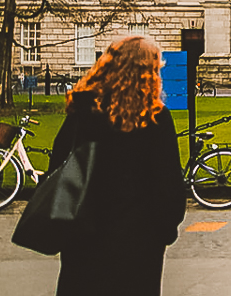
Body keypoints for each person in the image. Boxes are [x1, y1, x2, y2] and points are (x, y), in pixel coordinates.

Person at [49, 34, 186, 296]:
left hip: (83, 235)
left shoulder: (83, 112)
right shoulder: (154, 118)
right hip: (137, 239)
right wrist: (165, 231)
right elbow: (168, 187)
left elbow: (57, 169)